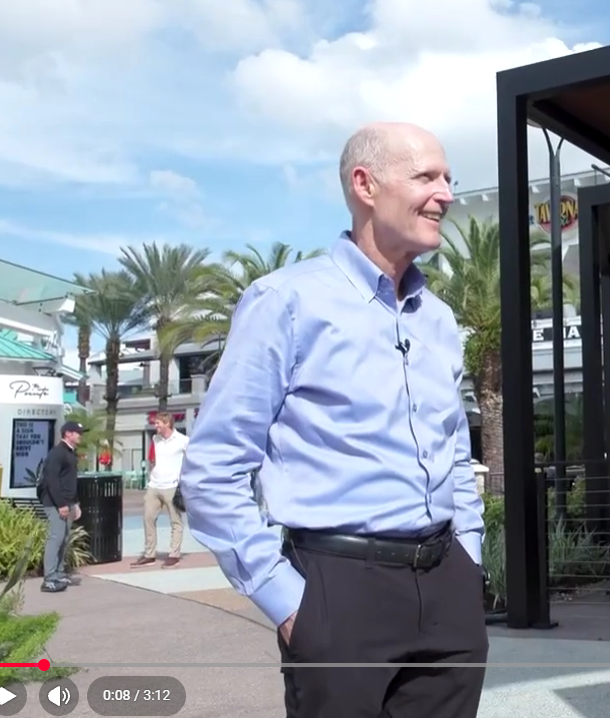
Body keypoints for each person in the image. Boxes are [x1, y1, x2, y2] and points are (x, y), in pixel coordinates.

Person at [179, 121, 487, 718]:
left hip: (447, 588)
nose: (446, 194)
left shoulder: (439, 320)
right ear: (365, 185)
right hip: (337, 589)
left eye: (449, 178)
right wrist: (290, 603)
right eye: (426, 177)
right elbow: (213, 468)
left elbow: (453, 448)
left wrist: (469, 558)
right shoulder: (286, 302)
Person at [131, 412, 188, 568]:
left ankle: (174, 555)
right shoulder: (155, 439)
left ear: (167, 423)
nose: (155, 426)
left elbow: (193, 459)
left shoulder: (183, 441)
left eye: (158, 423)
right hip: (154, 486)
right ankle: (149, 555)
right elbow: (152, 459)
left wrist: (184, 479)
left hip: (172, 486)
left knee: (175, 521)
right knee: (148, 518)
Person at [38, 421, 85, 593]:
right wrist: (61, 504)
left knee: (64, 538)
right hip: (55, 503)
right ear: (68, 434)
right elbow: (52, 481)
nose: (80, 436)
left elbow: (70, 481)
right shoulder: (57, 453)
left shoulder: (70, 453)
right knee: (56, 538)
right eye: (78, 432)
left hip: (67, 503)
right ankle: (49, 578)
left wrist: (75, 503)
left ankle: (59, 573)